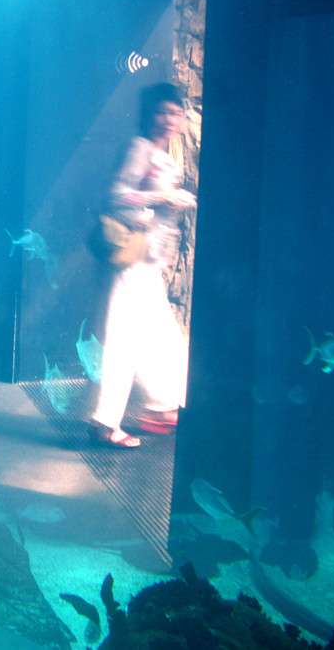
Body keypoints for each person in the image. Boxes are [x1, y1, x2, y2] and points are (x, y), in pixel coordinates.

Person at [89, 83, 195, 448]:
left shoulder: (165, 154)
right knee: (124, 341)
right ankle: (105, 423)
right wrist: (164, 196)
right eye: (163, 111)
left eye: (175, 113)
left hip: (148, 264)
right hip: (129, 262)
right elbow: (116, 196)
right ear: (149, 114)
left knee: (161, 337)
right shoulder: (139, 148)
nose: (169, 119)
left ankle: (163, 406)